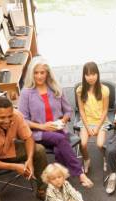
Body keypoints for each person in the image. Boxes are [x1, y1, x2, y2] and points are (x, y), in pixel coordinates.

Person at [19, 56, 94, 188]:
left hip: (58, 128)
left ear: (47, 73)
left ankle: (61, 182)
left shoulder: (55, 88)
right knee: (60, 139)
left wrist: (63, 120)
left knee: (60, 150)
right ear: (31, 74)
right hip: (38, 132)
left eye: (42, 72)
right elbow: (23, 120)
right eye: (36, 73)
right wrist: (43, 126)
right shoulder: (26, 93)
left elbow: (68, 110)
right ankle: (80, 174)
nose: (39, 76)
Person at [76, 62, 110, 174]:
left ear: (98, 74)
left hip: (101, 121)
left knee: (100, 144)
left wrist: (98, 127)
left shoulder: (104, 89)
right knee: (83, 143)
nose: (91, 77)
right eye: (87, 75)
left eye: (93, 74)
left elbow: (105, 110)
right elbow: (81, 110)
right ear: (84, 76)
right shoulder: (80, 90)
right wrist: (87, 126)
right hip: (86, 122)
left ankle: (106, 157)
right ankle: (86, 160)